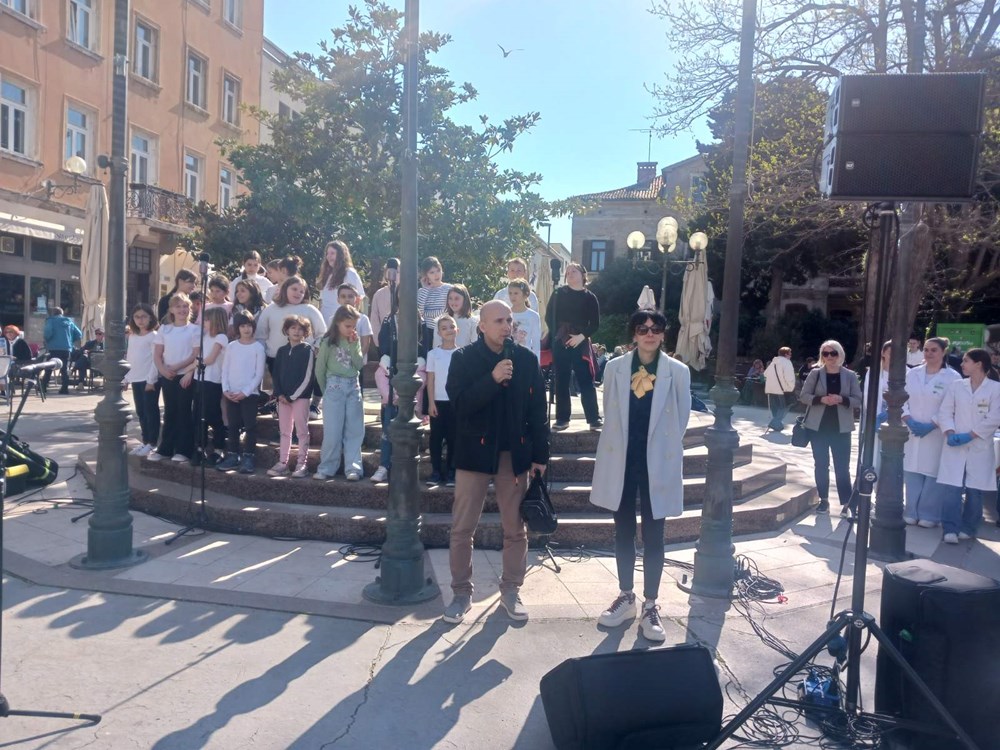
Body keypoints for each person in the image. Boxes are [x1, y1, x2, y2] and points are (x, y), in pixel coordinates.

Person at [442, 300, 549, 624]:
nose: (506, 326)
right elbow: (460, 406)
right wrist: (492, 378)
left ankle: (511, 590)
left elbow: (538, 411)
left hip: (513, 456)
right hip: (473, 455)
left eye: (509, 320)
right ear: (482, 326)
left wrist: (540, 456)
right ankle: (461, 593)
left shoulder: (526, 360)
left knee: (515, 529)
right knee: (462, 529)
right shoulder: (463, 358)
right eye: (499, 321)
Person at [591, 310, 691, 642]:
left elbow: (682, 418)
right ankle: (625, 596)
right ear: (633, 333)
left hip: (657, 462)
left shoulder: (678, 371)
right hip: (622, 459)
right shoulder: (614, 367)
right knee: (622, 530)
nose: (650, 333)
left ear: (663, 333)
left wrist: (663, 451)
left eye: (656, 328)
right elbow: (610, 411)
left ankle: (650, 605)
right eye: (642, 328)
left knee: (654, 533)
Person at [936, 348, 1000, 543]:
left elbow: (994, 418)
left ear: (978, 364)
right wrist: (950, 432)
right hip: (955, 443)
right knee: (952, 488)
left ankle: (969, 528)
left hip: (979, 445)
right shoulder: (957, 386)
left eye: (966, 361)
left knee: (975, 490)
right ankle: (950, 528)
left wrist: (971, 435)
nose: (962, 364)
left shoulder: (995, 389)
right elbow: (945, 411)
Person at [901, 336, 960, 527]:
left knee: (933, 473)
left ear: (943, 352)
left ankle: (929, 515)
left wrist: (933, 424)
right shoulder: (912, 373)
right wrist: (908, 418)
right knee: (911, 470)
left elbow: (952, 405)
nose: (929, 353)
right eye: (926, 350)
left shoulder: (953, 377)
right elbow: (901, 398)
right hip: (912, 430)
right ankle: (911, 511)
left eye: (934, 350)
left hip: (936, 432)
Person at [799, 340, 863, 514]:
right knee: (821, 464)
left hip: (841, 428)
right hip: (818, 427)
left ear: (840, 354)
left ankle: (846, 503)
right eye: (825, 354)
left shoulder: (850, 375)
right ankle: (824, 500)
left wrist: (842, 399)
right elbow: (804, 396)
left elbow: (858, 400)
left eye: (833, 353)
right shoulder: (815, 374)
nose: (829, 357)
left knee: (842, 467)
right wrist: (821, 399)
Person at [545, 262, 601, 432]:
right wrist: (559, 334)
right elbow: (549, 317)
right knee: (561, 380)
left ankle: (594, 418)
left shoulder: (590, 297)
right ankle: (562, 419)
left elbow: (595, 323)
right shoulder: (558, 294)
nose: (569, 273)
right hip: (560, 341)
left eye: (574, 271)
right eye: (568, 271)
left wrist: (581, 337)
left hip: (580, 341)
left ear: (583, 275)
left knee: (585, 380)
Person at [313, 306, 366, 481]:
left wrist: (353, 345)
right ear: (337, 323)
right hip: (334, 386)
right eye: (347, 326)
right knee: (332, 431)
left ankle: (353, 468)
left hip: (353, 387)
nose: (351, 329)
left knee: (355, 430)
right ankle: (327, 467)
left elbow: (359, 364)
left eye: (354, 326)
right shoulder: (328, 342)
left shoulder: (354, 340)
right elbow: (320, 369)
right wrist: (325, 391)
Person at [149, 294, 198, 463]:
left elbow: (195, 354)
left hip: (185, 376)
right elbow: (157, 354)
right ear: (171, 309)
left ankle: (184, 450)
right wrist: (163, 370)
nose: (182, 310)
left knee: (184, 411)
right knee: (170, 411)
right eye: (178, 307)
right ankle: (165, 448)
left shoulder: (194, 330)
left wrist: (177, 368)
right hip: (167, 376)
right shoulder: (164, 329)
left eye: (185, 306)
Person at [218, 311, 267, 473]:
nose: (246, 329)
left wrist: (246, 392)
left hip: (249, 395)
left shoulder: (258, 348)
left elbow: (258, 374)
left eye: (249, 326)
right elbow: (225, 369)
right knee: (232, 426)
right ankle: (232, 455)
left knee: (250, 426)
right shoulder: (231, 346)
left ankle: (248, 456)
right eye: (243, 326)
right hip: (231, 394)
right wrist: (226, 389)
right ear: (237, 328)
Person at [269, 315, 315, 478]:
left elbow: (308, 377)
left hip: (300, 398)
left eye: (300, 329)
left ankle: (302, 464)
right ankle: (283, 463)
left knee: (302, 431)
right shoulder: (281, 351)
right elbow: (276, 375)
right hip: (283, 399)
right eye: (293, 328)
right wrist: (279, 394)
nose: (296, 331)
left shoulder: (308, 350)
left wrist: (292, 396)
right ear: (287, 330)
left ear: (305, 332)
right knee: (285, 431)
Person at [255, 276, 327, 376]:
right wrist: (262, 358)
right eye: (294, 289)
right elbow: (260, 336)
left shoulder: (310, 310)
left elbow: (323, 334)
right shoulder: (270, 309)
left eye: (302, 291)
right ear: (285, 289)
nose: (298, 293)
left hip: (303, 359)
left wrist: (316, 349)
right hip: (275, 359)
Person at [192, 308, 229, 467]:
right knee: (198, 414)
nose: (204, 323)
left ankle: (219, 448)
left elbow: (210, 359)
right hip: (200, 379)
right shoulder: (205, 337)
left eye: (207, 320)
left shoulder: (221, 337)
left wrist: (196, 363)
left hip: (213, 381)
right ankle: (200, 447)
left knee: (212, 414)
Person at [124, 304, 160, 456]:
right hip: (136, 378)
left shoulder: (154, 336)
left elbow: (156, 360)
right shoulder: (132, 336)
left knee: (150, 411)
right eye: (137, 317)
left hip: (149, 379)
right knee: (141, 411)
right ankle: (145, 441)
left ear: (150, 318)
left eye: (144, 316)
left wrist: (151, 380)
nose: (140, 320)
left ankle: (152, 442)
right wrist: (126, 377)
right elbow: (130, 357)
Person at [426, 315, 458, 486]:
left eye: (451, 327)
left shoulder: (462, 354)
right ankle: (436, 471)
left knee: (454, 438)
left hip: (454, 403)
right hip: (438, 402)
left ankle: (452, 471)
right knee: (436, 438)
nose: (448, 331)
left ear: (457, 329)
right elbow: (430, 380)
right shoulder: (433, 354)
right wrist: (431, 402)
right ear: (438, 333)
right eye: (444, 328)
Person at [318, 240, 365, 325]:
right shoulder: (326, 275)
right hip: (324, 323)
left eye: (332, 253)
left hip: (341, 323)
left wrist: (352, 321)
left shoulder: (349, 273)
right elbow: (321, 301)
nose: (328, 256)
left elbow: (358, 298)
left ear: (341, 255)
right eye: (327, 253)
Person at [42, 307, 83, 395]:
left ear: (53, 313)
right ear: (62, 313)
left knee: (49, 367)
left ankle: (43, 387)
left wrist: (47, 340)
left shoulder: (51, 320)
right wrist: (70, 340)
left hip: (53, 348)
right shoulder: (69, 321)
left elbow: (48, 333)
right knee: (64, 369)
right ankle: (64, 388)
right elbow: (79, 334)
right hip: (66, 348)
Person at [416, 256, 452, 355]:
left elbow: (444, 311)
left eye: (438, 270)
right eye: (432, 272)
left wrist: (427, 313)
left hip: (443, 330)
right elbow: (419, 313)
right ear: (426, 275)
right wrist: (426, 288)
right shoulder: (422, 291)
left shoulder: (449, 289)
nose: (436, 275)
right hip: (426, 331)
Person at [432, 283, 478, 349]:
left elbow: (475, 347)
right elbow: (436, 346)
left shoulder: (473, 322)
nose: (453, 302)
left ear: (465, 300)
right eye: (450, 298)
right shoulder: (440, 321)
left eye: (457, 298)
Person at [507, 279, 541, 360]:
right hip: (508, 356)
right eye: (510, 293)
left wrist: (537, 362)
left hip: (526, 357)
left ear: (526, 295)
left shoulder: (533, 316)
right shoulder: (506, 313)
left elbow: (536, 342)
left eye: (516, 293)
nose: (512, 296)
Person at [763, 347, 795, 431]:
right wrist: (791, 387)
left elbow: (765, 374)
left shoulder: (774, 362)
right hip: (782, 389)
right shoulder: (787, 362)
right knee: (785, 406)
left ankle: (777, 424)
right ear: (786, 354)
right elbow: (789, 377)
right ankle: (775, 422)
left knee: (776, 407)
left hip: (771, 389)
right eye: (790, 353)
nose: (791, 355)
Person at [369, 258, 398, 349]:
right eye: (390, 271)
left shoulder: (406, 293)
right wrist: (379, 340)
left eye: (397, 271)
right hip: (384, 340)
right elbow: (374, 319)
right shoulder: (379, 294)